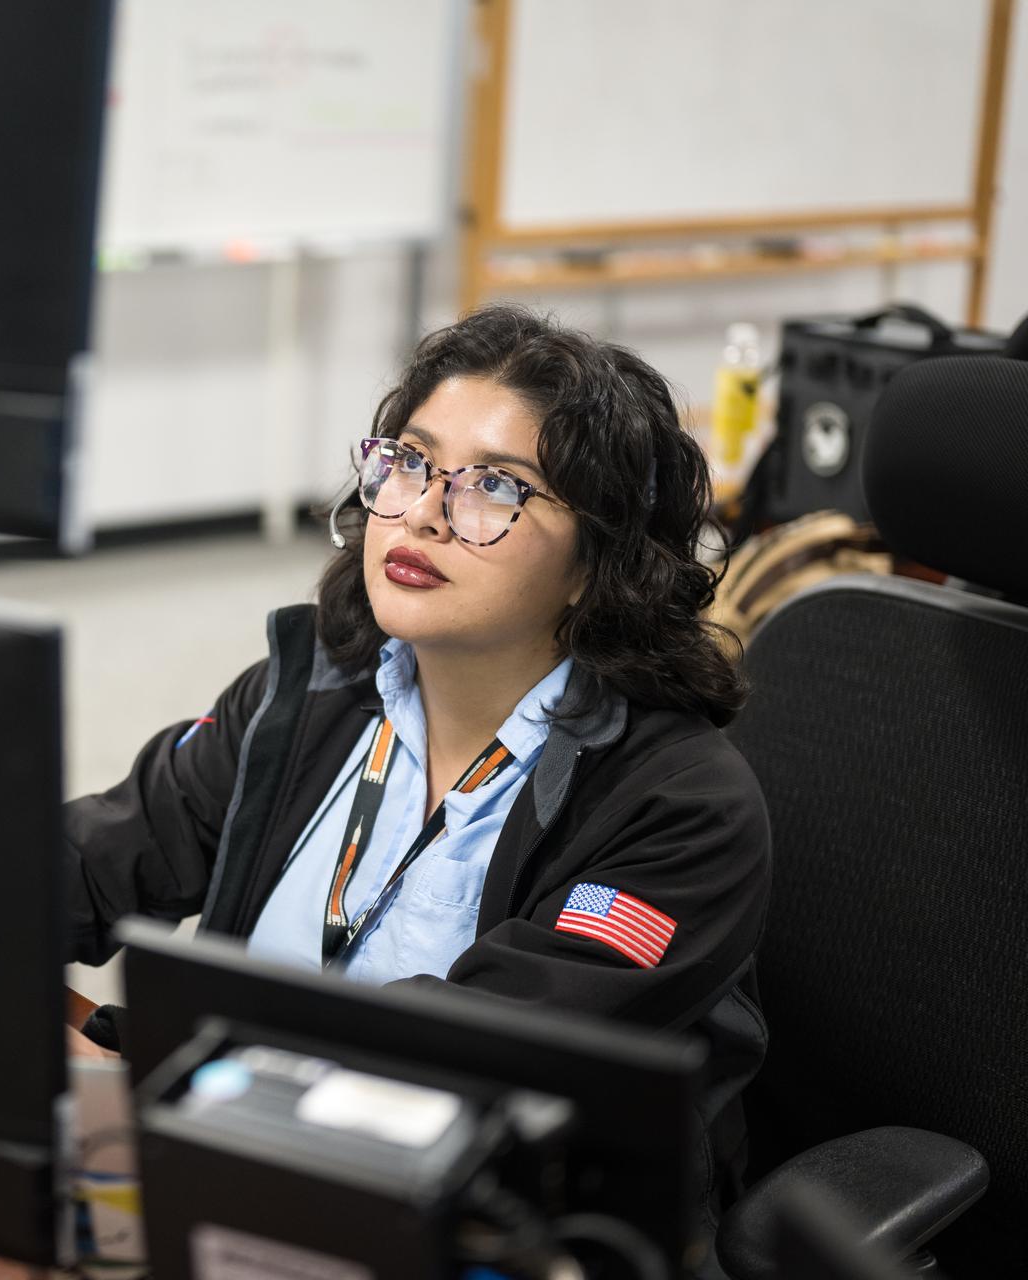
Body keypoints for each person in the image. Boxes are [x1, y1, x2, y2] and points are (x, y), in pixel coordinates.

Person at [63, 304, 770, 1223]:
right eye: (409, 462)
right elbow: (81, 862)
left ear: (600, 562)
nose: (424, 514)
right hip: (235, 1186)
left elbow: (471, 1069)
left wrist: (145, 1076)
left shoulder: (679, 806)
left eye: (495, 487)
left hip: (486, 1229)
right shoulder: (305, 698)